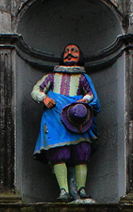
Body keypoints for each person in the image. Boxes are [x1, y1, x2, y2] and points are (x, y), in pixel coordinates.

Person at [31, 43, 99, 202]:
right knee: (59, 153)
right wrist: (45, 98)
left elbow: (91, 94)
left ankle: (81, 190)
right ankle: (63, 191)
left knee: (81, 152)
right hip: (55, 119)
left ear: (79, 56)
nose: (69, 54)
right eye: (67, 51)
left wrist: (84, 101)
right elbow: (36, 91)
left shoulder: (82, 77)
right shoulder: (51, 77)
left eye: (74, 51)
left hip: (77, 120)